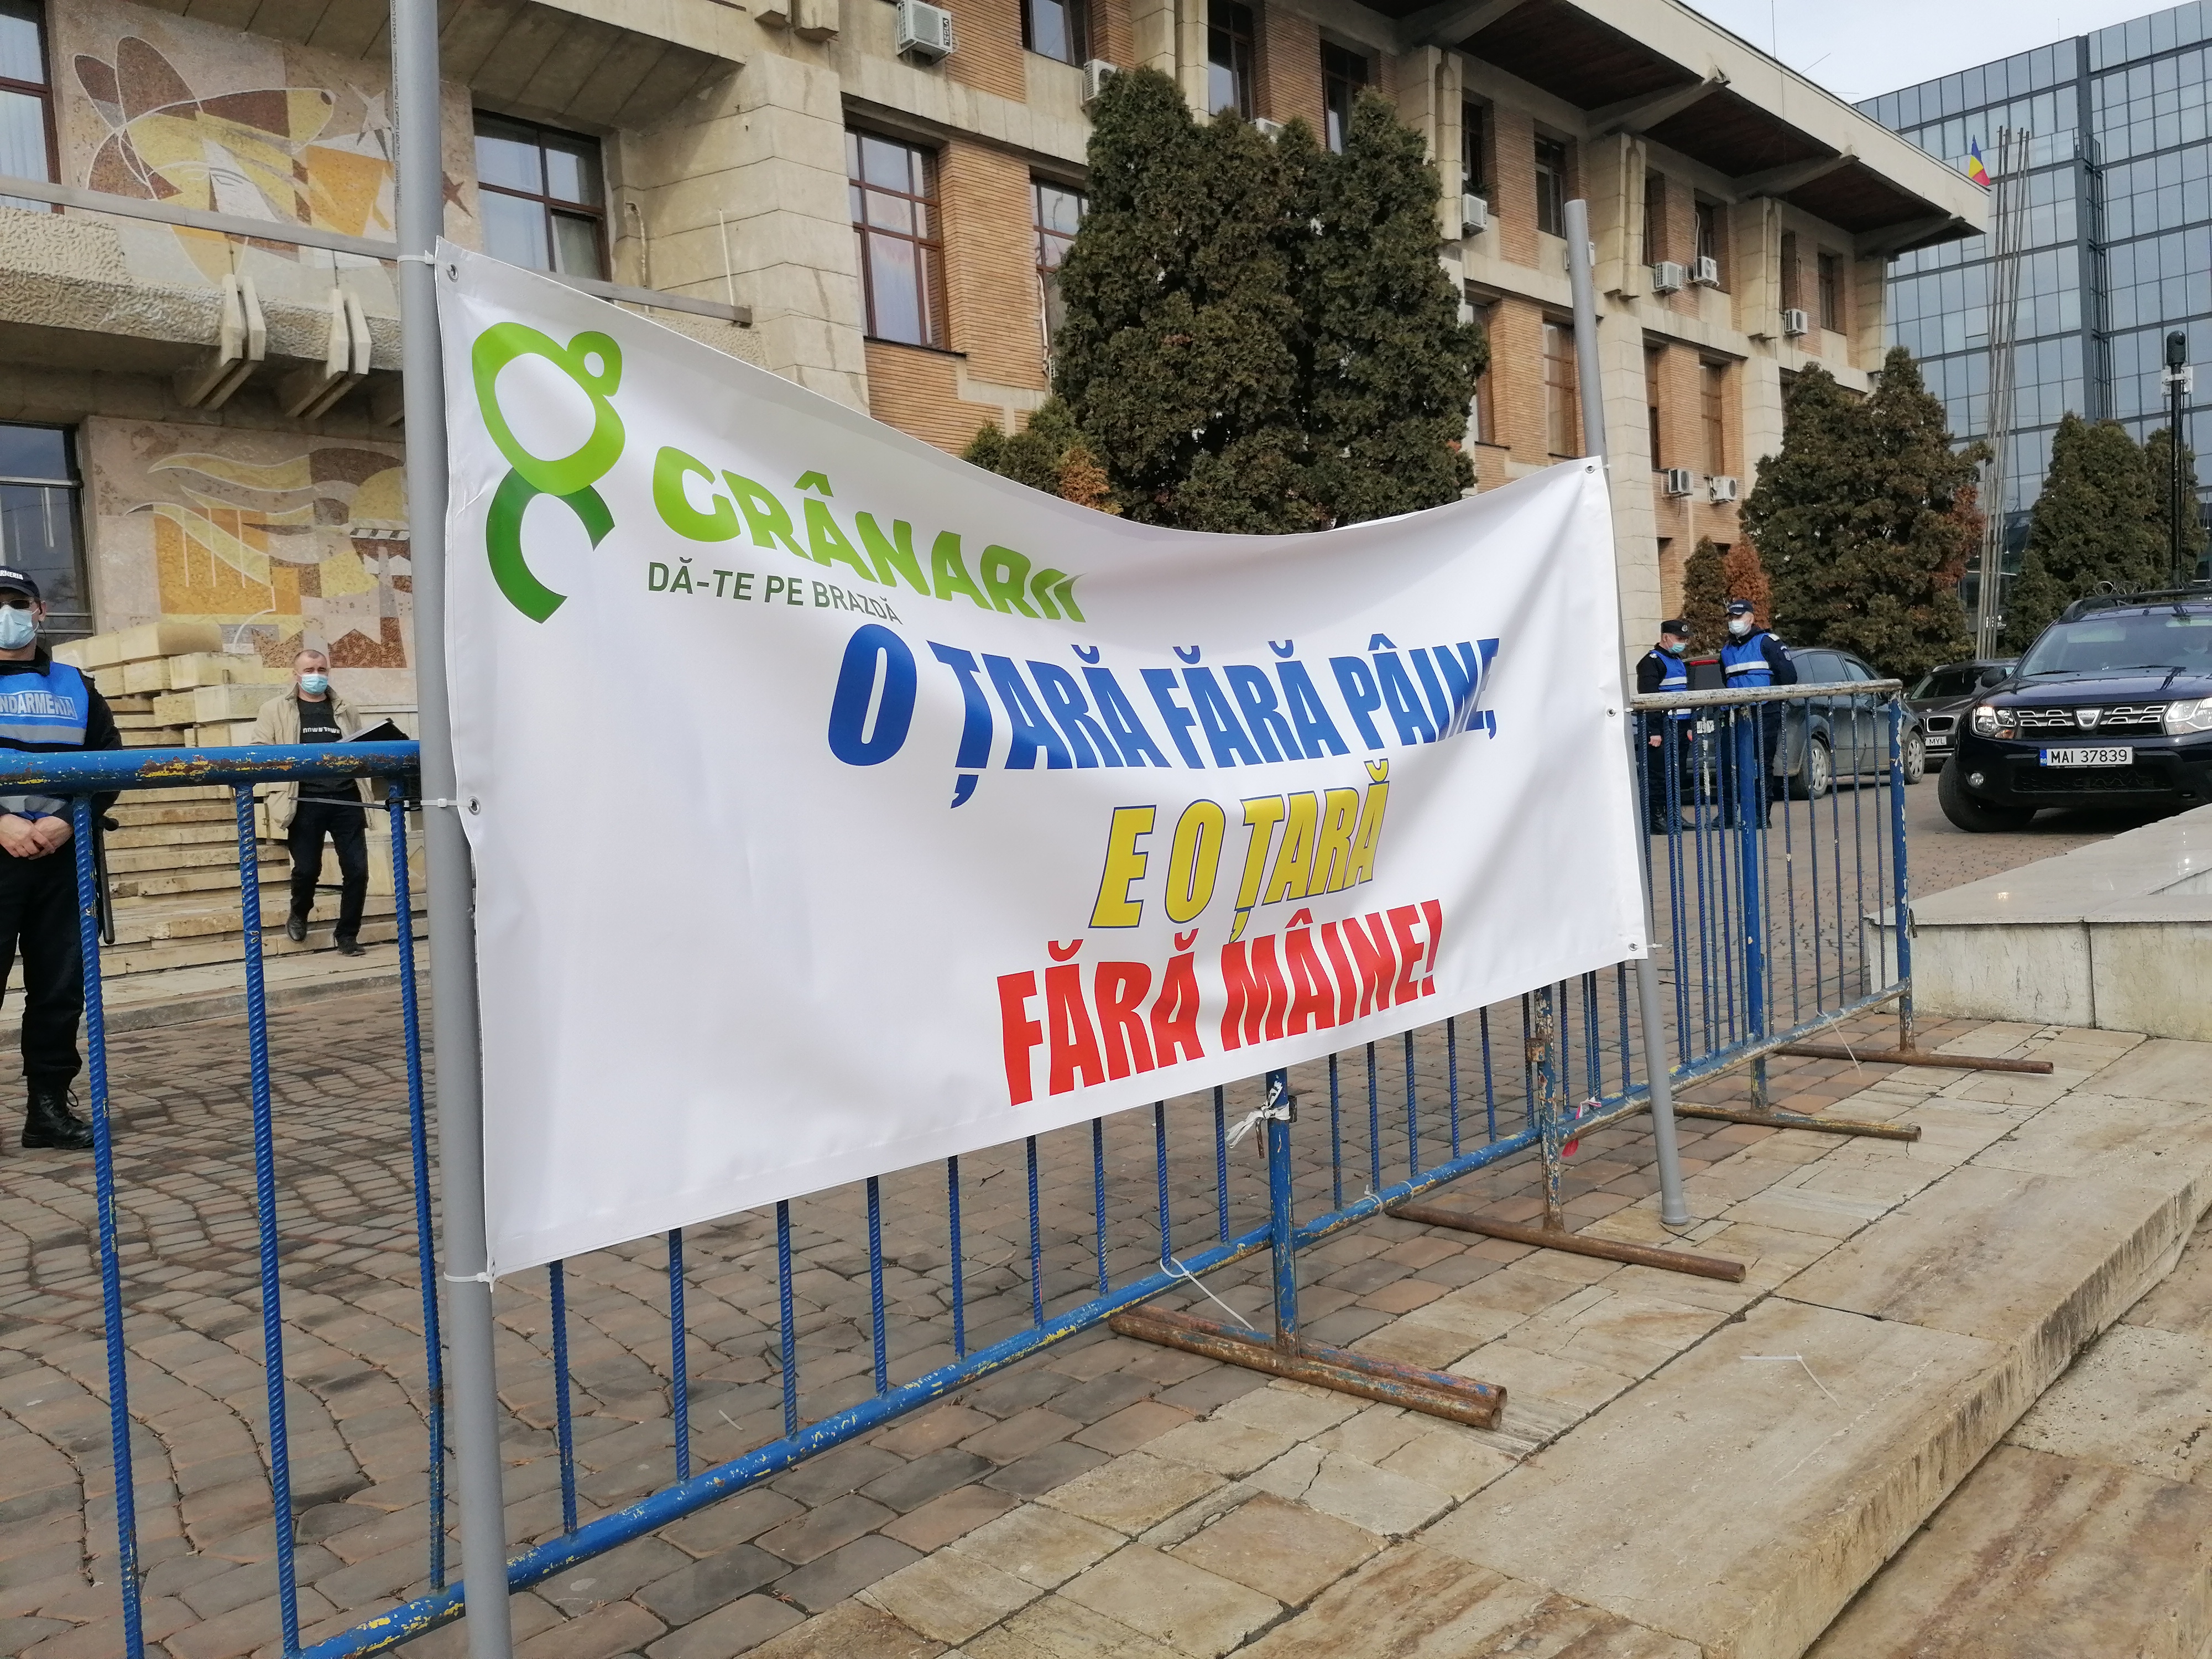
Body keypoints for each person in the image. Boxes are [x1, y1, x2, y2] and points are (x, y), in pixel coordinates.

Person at [0, 568, 120, 1151]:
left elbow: (111, 765)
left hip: (60, 854)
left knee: (59, 991)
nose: (8, 613)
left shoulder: (78, 686)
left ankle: (47, 1111)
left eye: (17, 602)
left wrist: (68, 819)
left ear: (40, 611)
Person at [253, 650, 369, 957]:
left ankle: (347, 935)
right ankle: (300, 912)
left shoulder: (345, 708)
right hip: (303, 799)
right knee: (306, 869)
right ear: (296, 674)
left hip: (347, 798)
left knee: (357, 870)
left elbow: (361, 746)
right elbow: (259, 750)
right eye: (309, 670)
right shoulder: (275, 709)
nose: (316, 675)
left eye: (321, 669)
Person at [1716, 598, 1798, 827]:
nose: (1734, 622)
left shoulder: (1768, 642)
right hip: (1735, 713)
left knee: (1762, 765)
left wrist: (1774, 700)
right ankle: (1728, 816)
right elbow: (1726, 680)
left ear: (1751, 619)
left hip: (1765, 712)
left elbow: (1789, 677)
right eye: (1732, 618)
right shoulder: (1727, 650)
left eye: (1739, 617)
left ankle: (1761, 816)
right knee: (1728, 765)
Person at [1634, 619, 1697, 832]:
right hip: (1663, 726)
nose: (1683, 643)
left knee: (1677, 774)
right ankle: (1657, 818)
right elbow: (1650, 700)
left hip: (1680, 726)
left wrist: (1689, 726)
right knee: (1659, 775)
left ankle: (1674, 815)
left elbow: (1684, 696)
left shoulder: (1677, 661)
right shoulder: (1651, 662)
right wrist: (1654, 731)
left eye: (1685, 639)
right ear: (1666, 638)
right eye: (1680, 639)